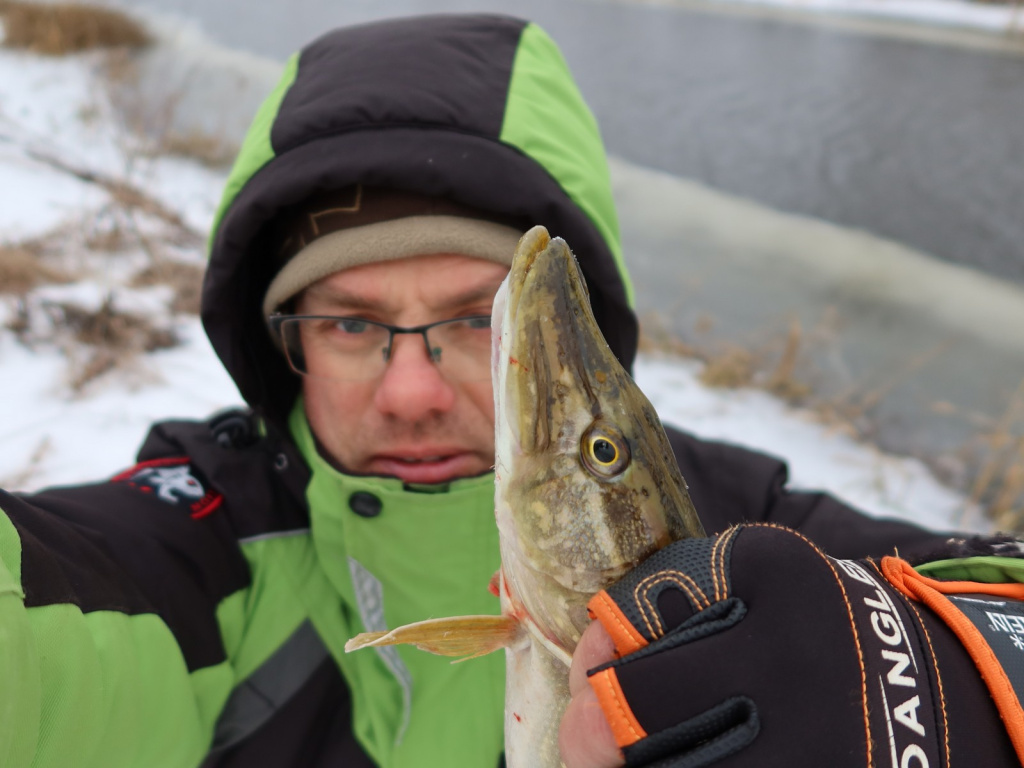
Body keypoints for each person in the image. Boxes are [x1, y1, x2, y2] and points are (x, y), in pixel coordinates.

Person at [1, 12, 1021, 768]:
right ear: (280, 347)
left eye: (476, 324)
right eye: (351, 323)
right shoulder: (203, 541)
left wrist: (949, 678)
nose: (409, 393)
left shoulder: (746, 541)